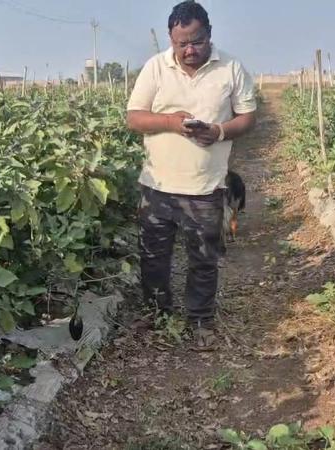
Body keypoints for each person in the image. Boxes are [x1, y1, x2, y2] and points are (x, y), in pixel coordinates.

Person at [126, 0, 257, 351]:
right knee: (153, 256)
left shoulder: (231, 68)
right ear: (171, 39)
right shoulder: (155, 68)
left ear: (209, 35)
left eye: (196, 41)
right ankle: (157, 314)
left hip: (206, 185)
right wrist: (170, 121)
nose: (188, 50)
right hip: (157, 185)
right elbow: (134, 117)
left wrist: (218, 131)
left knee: (204, 257)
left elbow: (247, 118)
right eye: (180, 43)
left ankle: (200, 320)